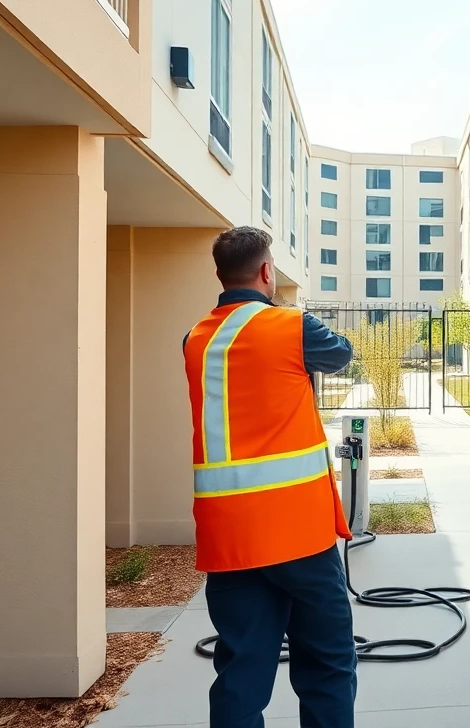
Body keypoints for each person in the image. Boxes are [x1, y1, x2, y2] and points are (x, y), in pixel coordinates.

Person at [182, 225, 358, 728]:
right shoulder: (292, 327)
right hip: (298, 535)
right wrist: (283, 306)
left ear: (219, 274)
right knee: (326, 662)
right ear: (266, 271)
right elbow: (341, 354)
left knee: (241, 670)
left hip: (229, 540)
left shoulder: (194, 340)